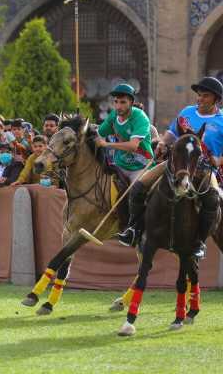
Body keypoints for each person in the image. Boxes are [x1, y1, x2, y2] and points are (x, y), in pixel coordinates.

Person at [118, 77, 223, 258]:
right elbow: (173, 133)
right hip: (177, 165)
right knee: (138, 187)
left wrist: (219, 160)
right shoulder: (187, 113)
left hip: (205, 170)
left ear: (217, 99)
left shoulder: (221, 120)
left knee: (213, 200)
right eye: (199, 95)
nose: (200, 99)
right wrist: (163, 144)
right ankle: (133, 229)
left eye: (205, 96)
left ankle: (199, 242)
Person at [95, 83, 153, 184]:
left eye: (123, 102)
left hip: (141, 165)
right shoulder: (113, 115)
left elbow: (133, 146)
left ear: (131, 102)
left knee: (135, 192)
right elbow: (99, 133)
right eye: (116, 102)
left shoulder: (140, 118)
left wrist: (107, 144)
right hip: (120, 165)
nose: (118, 106)